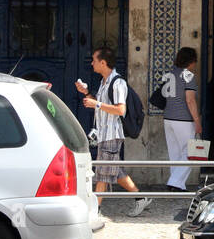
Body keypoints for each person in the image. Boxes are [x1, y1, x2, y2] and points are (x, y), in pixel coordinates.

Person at [76, 47, 150, 217]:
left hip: (111, 135)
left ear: (103, 62)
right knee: (113, 171)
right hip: (104, 134)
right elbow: (101, 104)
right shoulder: (104, 82)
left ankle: (96, 209)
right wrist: (87, 93)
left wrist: (97, 104)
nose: (92, 63)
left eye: (94, 60)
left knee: (103, 173)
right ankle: (141, 198)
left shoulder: (118, 83)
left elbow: (120, 110)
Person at [162, 47, 202, 205]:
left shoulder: (170, 73)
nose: (195, 65)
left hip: (168, 118)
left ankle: (177, 185)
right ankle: (174, 182)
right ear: (191, 61)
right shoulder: (188, 75)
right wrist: (197, 121)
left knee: (175, 153)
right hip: (184, 120)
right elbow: (190, 100)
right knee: (191, 152)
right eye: (195, 61)